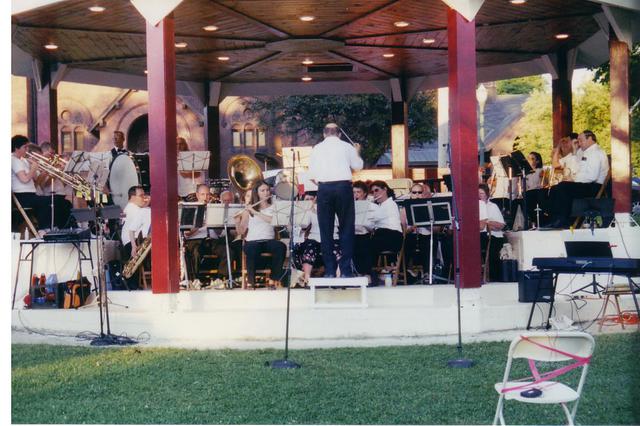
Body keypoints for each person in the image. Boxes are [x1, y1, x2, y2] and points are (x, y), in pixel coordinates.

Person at [309, 123, 363, 278]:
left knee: (326, 231)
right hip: (343, 187)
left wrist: (323, 185)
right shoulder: (347, 146)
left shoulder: (317, 148)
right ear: (339, 134)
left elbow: (312, 175)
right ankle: (345, 271)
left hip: (325, 188)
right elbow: (358, 166)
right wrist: (357, 152)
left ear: (324, 134)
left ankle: (330, 271)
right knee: (346, 228)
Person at [548, 130, 609, 228]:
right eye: (578, 141)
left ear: (590, 138)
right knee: (555, 188)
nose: (579, 143)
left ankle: (564, 220)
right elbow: (576, 163)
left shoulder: (596, 152)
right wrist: (575, 150)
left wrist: (573, 180)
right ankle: (554, 219)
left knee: (563, 187)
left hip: (594, 187)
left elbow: (592, 176)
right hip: (585, 184)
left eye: (581, 140)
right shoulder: (584, 152)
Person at [237, 181, 286, 289]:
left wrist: (256, 213)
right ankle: (251, 281)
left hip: (269, 240)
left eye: (267, 190)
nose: (266, 193)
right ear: (257, 193)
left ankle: (274, 279)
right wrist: (237, 221)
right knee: (251, 249)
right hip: (253, 240)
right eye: (262, 190)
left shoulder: (274, 207)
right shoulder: (248, 209)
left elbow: (273, 221)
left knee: (280, 247)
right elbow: (241, 231)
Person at [11, 135, 52, 231]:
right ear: (16, 148)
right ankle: (43, 229)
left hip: (31, 194)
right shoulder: (13, 160)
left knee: (61, 202)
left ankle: (62, 227)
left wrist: (37, 167)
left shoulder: (23, 160)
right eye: (25, 147)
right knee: (47, 201)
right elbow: (24, 179)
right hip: (22, 196)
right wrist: (33, 168)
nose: (27, 149)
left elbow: (35, 180)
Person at [369, 180, 403, 282]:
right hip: (383, 235)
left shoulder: (390, 204)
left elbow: (374, 218)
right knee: (362, 242)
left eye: (377, 190)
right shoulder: (380, 206)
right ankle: (369, 273)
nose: (375, 194)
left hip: (392, 237)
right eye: (373, 192)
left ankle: (369, 274)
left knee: (364, 244)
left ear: (385, 190)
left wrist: (369, 204)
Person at [34, 141, 74, 229]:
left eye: (53, 153)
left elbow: (63, 183)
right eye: (51, 153)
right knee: (62, 205)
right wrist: (56, 171)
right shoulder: (40, 165)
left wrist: (61, 171)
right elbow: (44, 184)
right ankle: (61, 228)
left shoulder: (51, 164)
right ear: (43, 152)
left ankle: (68, 228)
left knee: (68, 204)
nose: (53, 156)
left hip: (59, 193)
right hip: (51, 194)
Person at [182, 184, 216, 281]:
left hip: (212, 240)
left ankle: (222, 277)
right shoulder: (190, 209)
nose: (206, 198)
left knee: (226, 249)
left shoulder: (214, 208)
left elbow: (219, 232)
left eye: (208, 195)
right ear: (197, 195)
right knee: (196, 252)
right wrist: (199, 224)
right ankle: (194, 279)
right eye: (202, 194)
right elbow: (187, 233)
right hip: (195, 240)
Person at [121, 185, 151, 289]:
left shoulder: (135, 207)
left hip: (134, 240)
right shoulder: (133, 209)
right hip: (132, 242)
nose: (144, 198)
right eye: (141, 195)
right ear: (132, 197)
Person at [291, 192, 322, 288]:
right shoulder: (302, 211)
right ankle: (301, 278)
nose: (309, 201)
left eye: (311, 199)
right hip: (304, 240)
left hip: (317, 240)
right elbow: (299, 227)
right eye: (306, 199)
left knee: (310, 245)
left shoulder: (318, 210)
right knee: (295, 247)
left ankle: (309, 276)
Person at [400, 183, 432, 275]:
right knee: (407, 241)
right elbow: (402, 231)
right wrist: (410, 229)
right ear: (410, 194)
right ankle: (405, 272)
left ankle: (427, 272)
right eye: (414, 192)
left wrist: (426, 225)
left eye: (419, 192)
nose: (417, 195)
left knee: (427, 242)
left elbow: (437, 229)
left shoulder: (429, 207)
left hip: (426, 235)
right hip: (411, 235)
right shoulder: (405, 209)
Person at [479, 184, 505, 282]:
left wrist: (487, 223)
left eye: (481, 193)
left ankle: (494, 278)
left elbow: (501, 225)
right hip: (481, 235)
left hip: (494, 236)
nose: (479, 196)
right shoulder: (475, 207)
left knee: (492, 252)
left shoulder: (492, 206)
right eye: (477, 194)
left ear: (486, 195)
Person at [352, 180, 376, 276]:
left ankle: (366, 274)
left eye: (358, 192)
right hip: (352, 234)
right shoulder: (349, 206)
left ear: (365, 193)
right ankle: (356, 273)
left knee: (364, 247)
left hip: (366, 234)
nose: (356, 195)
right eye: (354, 192)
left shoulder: (371, 206)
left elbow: (373, 224)